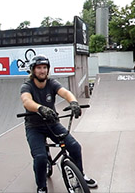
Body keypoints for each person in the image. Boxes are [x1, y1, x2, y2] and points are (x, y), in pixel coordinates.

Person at [20, 55, 97, 193]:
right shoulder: (27, 86)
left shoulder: (52, 83)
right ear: (33, 70)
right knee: (40, 158)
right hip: (34, 127)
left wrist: (74, 102)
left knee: (75, 147)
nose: (42, 71)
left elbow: (65, 93)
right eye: (39, 68)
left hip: (52, 123)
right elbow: (26, 101)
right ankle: (41, 187)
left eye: (45, 67)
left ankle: (80, 175)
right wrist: (40, 108)